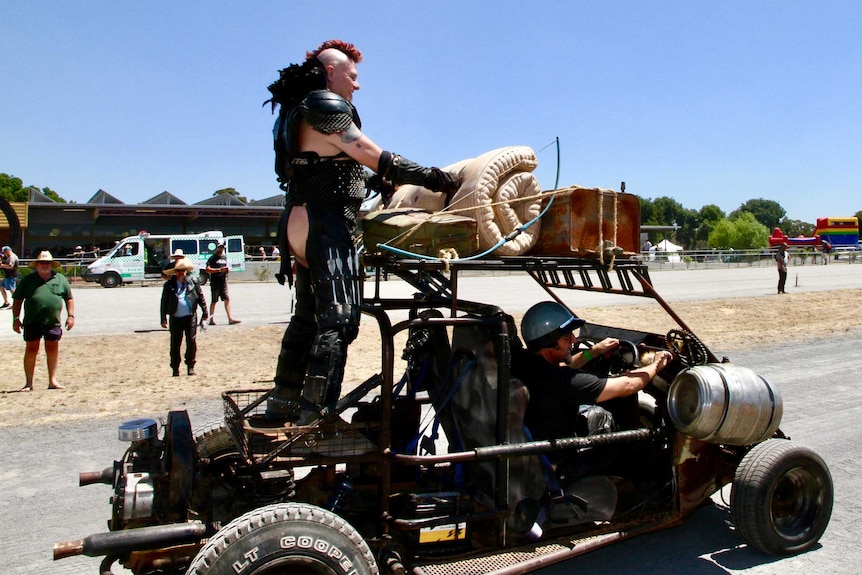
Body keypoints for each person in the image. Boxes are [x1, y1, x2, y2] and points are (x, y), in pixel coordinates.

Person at [264, 39, 461, 423]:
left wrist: (374, 186)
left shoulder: (295, 110)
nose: (356, 85)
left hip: (301, 220)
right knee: (340, 318)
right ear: (331, 71)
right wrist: (437, 178)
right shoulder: (324, 105)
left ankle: (284, 401)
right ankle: (317, 417)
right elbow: (379, 158)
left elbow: (325, 166)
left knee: (308, 317)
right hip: (326, 222)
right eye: (352, 77)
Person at [510, 302, 672, 479]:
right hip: (558, 470)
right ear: (549, 344)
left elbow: (564, 365)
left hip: (533, 457)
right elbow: (628, 386)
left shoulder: (524, 362)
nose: (574, 340)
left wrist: (593, 352)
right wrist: (657, 364)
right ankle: (658, 494)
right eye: (566, 338)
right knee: (636, 444)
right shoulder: (562, 381)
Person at [11, 251, 74, 390]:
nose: (44, 265)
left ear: (51, 265)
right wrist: (16, 318)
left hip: (52, 321)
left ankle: (52, 380)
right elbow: (17, 300)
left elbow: (69, 298)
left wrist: (71, 316)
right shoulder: (27, 280)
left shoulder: (60, 279)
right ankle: (29, 383)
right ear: (36, 265)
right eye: (41, 263)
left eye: (47, 263)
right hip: (32, 321)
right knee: (31, 349)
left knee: (52, 349)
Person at [160, 258, 208, 376]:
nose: (181, 273)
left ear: (186, 271)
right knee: (175, 343)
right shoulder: (169, 285)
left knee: (191, 341)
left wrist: (205, 312)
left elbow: (200, 297)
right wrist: (163, 318)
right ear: (175, 272)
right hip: (175, 317)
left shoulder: (193, 282)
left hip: (190, 316)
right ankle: (175, 368)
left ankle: (190, 366)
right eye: (178, 271)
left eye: (183, 271)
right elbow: (164, 302)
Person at [205, 243, 240, 325]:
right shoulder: (212, 258)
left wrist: (227, 270)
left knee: (227, 299)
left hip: (223, 282)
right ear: (217, 248)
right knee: (214, 301)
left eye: (222, 248)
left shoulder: (224, 257)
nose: (221, 249)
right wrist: (220, 270)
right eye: (220, 248)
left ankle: (230, 318)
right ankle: (211, 319)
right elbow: (207, 269)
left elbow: (226, 267)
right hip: (215, 282)